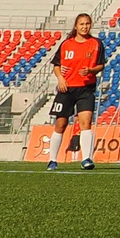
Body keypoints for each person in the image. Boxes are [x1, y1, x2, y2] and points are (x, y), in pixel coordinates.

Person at [48, 14, 103, 171]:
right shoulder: (67, 44)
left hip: (86, 89)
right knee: (61, 123)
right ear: (76, 26)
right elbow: (56, 65)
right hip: (67, 89)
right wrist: (60, 79)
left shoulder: (96, 44)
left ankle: (86, 159)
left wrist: (91, 70)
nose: (84, 27)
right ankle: (52, 160)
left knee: (85, 122)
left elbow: (101, 65)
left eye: (87, 24)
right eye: (81, 24)